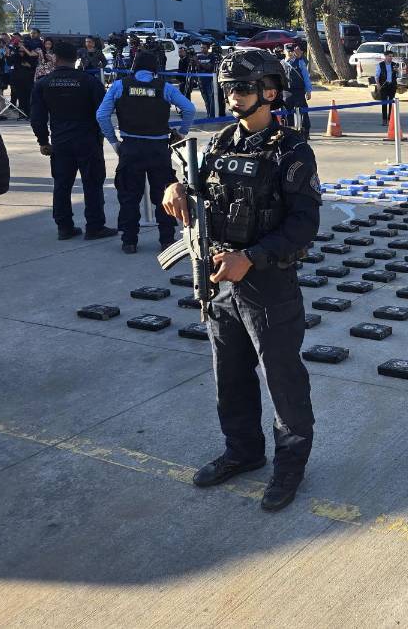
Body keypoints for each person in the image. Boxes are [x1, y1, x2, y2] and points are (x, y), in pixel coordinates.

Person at [162, 48, 319, 513]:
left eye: (244, 88)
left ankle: (290, 465)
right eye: (229, 88)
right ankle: (243, 451)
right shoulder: (219, 144)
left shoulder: (291, 150)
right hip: (219, 280)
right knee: (229, 376)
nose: (234, 96)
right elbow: (200, 190)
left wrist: (250, 257)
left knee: (282, 380)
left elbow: (304, 225)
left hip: (268, 283)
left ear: (270, 92)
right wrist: (177, 188)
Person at [97, 49, 195, 254]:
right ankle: (167, 240)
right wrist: (181, 133)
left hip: (130, 148)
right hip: (158, 149)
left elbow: (102, 115)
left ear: (134, 67)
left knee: (129, 196)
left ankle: (129, 241)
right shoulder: (164, 87)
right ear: (155, 69)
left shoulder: (119, 86)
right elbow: (189, 109)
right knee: (164, 194)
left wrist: (114, 142)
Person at [31, 42, 117, 242]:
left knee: (62, 184)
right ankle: (95, 226)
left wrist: (43, 141)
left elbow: (37, 117)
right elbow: (103, 112)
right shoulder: (89, 81)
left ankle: (64, 227)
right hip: (88, 139)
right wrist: (104, 136)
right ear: (76, 59)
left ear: (54, 58)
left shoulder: (43, 83)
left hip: (60, 141)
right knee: (93, 184)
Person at [282, 43, 312, 139]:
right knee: (286, 114)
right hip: (286, 92)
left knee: (303, 112)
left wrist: (308, 90)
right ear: (284, 52)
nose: (290, 53)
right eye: (288, 51)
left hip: (299, 91)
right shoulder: (281, 63)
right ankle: (287, 133)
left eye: (292, 51)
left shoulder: (300, 62)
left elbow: (306, 77)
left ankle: (305, 132)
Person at [8, 34, 36, 117]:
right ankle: (22, 113)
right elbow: (9, 62)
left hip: (28, 79)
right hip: (18, 80)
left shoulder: (30, 55)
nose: (21, 52)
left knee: (29, 97)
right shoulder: (16, 56)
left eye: (23, 51)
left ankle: (29, 113)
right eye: (20, 51)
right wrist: (8, 52)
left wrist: (29, 65)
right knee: (21, 97)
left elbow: (33, 64)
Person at [194, 41, 221, 117]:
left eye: (204, 48)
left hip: (210, 81)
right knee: (205, 99)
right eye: (201, 48)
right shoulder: (198, 56)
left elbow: (209, 67)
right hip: (201, 80)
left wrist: (198, 62)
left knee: (210, 98)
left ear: (208, 48)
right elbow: (197, 69)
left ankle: (212, 115)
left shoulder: (212, 56)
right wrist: (195, 63)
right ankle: (208, 114)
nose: (202, 49)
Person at [374, 49, 398, 126]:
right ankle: (384, 120)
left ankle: (390, 119)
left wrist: (397, 71)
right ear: (385, 56)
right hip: (384, 86)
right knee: (384, 103)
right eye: (389, 56)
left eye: (392, 56)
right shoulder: (380, 65)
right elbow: (377, 76)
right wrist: (378, 84)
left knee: (391, 103)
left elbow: (398, 75)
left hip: (392, 85)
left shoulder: (394, 65)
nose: (391, 58)